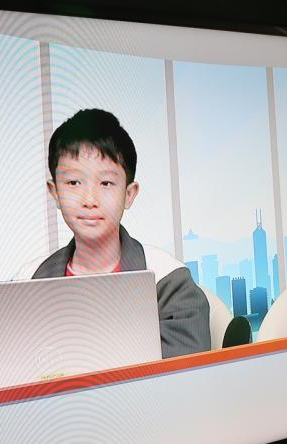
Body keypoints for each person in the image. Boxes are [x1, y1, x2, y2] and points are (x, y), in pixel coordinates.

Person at [32, 109, 210, 357]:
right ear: (55, 193)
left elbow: (183, 372)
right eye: (73, 183)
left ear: (129, 194)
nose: (89, 200)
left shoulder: (167, 280)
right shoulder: (29, 281)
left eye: (106, 183)